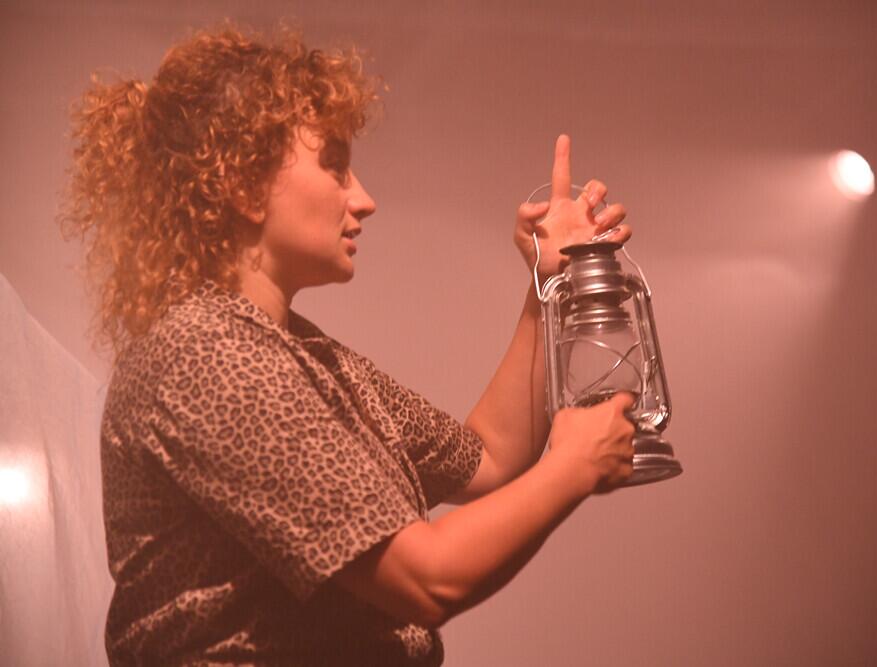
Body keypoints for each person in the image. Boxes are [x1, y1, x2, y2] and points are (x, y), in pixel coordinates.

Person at [60, 22, 637, 666]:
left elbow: (491, 458)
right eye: (334, 166)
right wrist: (573, 466)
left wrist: (546, 282)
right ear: (243, 184)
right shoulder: (206, 356)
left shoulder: (302, 353)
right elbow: (427, 580)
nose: (364, 199)